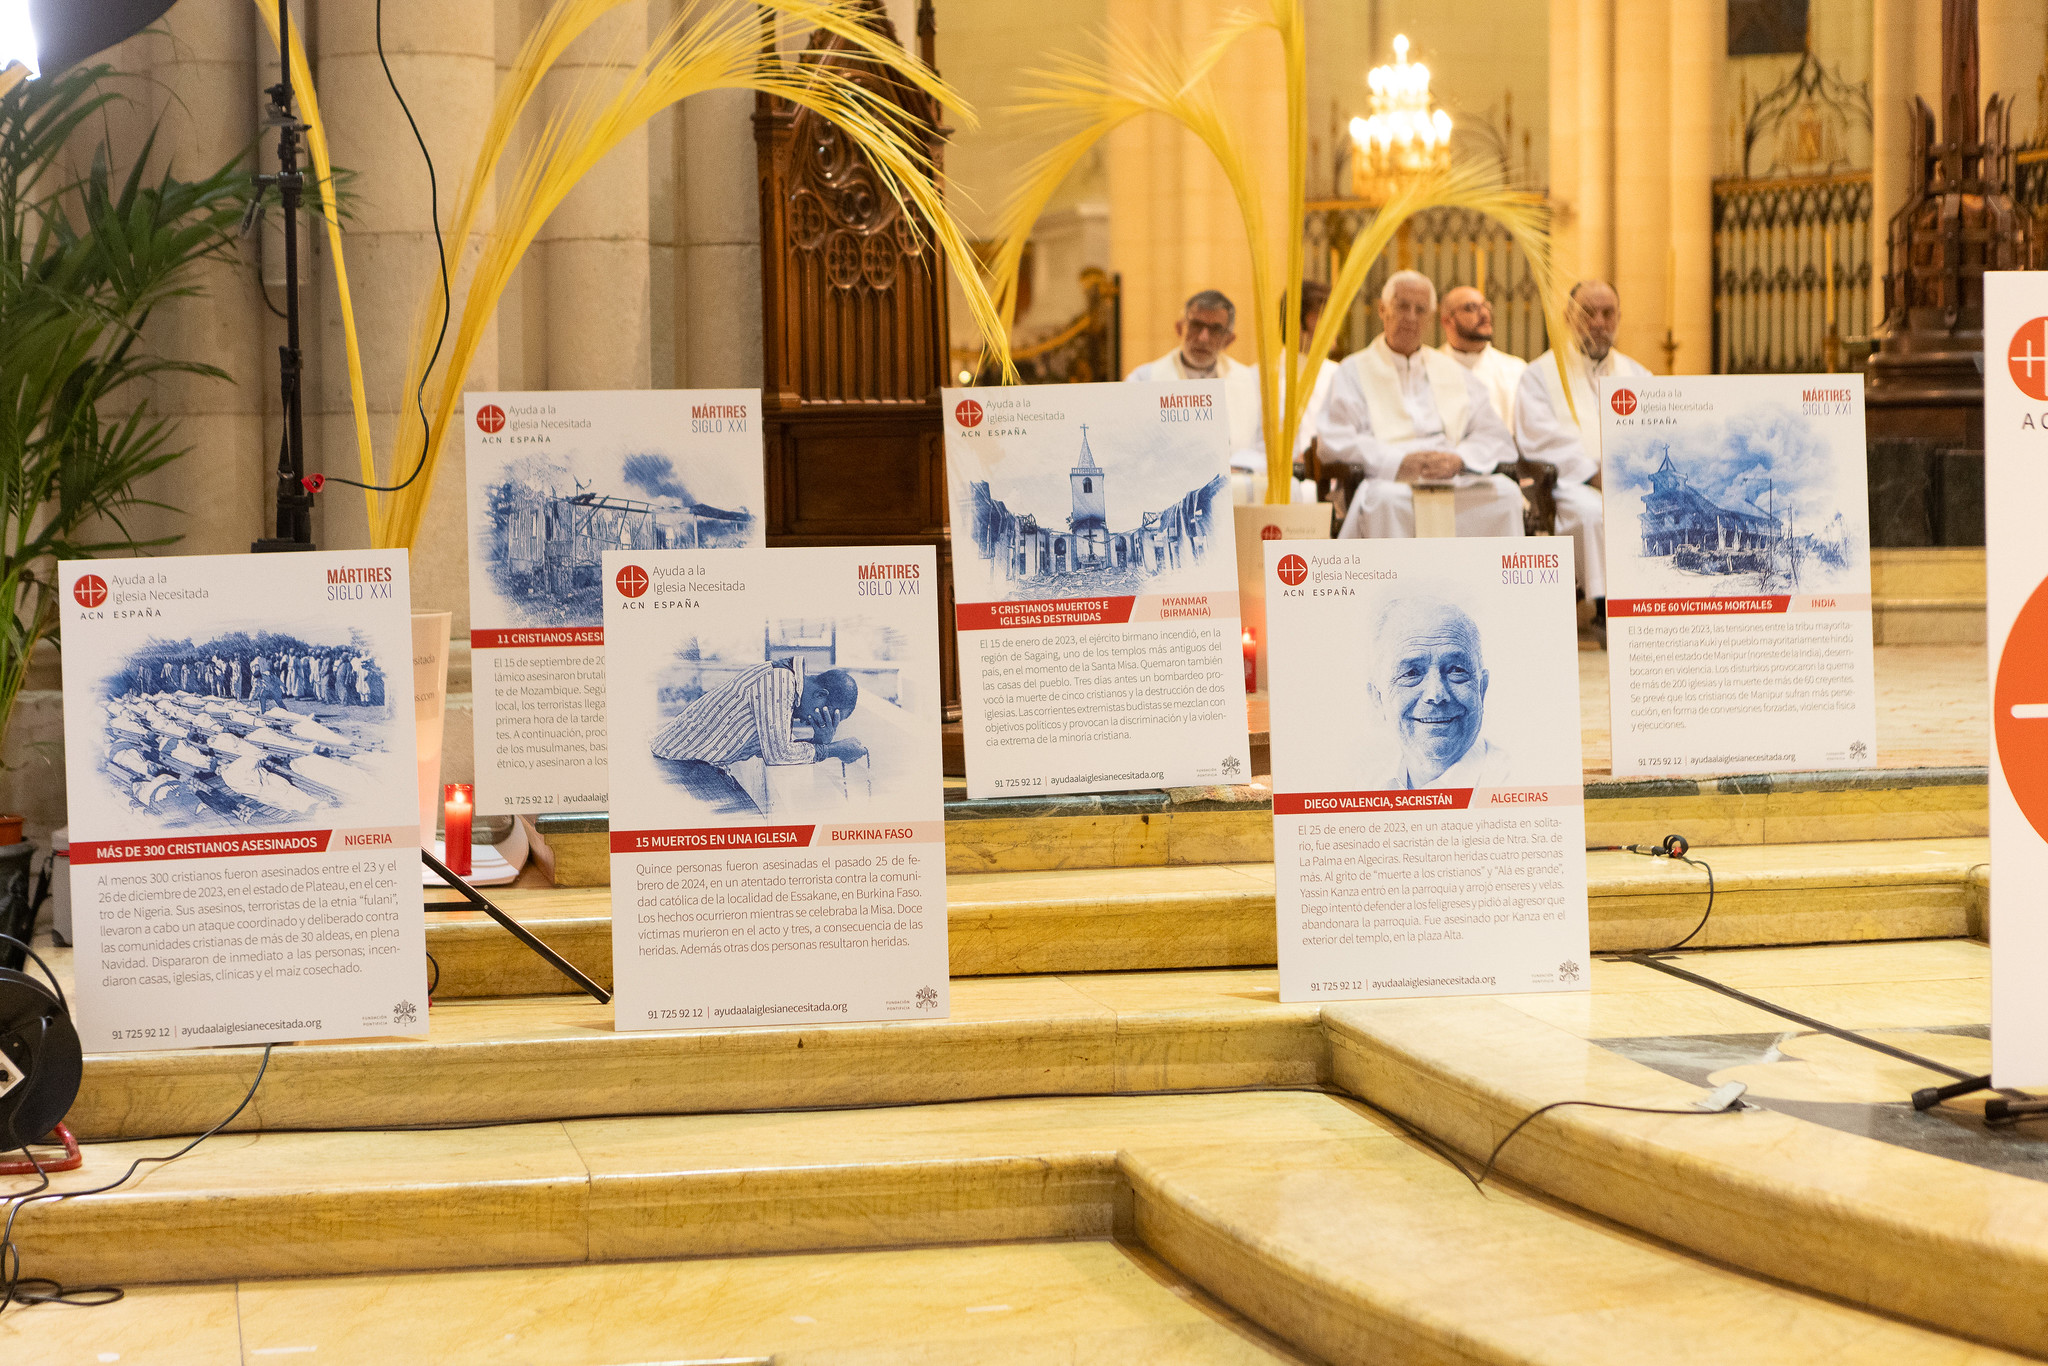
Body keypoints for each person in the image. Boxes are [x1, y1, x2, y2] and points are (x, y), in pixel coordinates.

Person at [1317, 271, 1522, 538]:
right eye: (1402, 306)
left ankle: (1485, 581)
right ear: (1382, 309)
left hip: (1450, 477)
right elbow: (1335, 438)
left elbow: (1493, 434)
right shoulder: (1353, 371)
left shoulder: (1454, 372)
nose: (1411, 317)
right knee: (1385, 502)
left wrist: (1459, 459)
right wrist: (1397, 461)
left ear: (1431, 318)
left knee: (1505, 495)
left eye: (1421, 309)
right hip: (1389, 479)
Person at [1513, 279, 1651, 630]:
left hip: (1628, 481)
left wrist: (1628, 473)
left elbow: (1654, 435)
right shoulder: (1540, 374)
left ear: (1619, 317)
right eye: (1588, 313)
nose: (1599, 323)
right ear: (1568, 318)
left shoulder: (1638, 375)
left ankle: (1652, 602)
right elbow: (1538, 437)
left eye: (1608, 314)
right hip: (1570, 482)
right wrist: (1593, 473)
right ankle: (1607, 610)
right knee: (1592, 511)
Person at [650, 658, 867, 814]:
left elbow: (780, 746)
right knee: (748, 823)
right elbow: (779, 754)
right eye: (826, 716)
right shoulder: (780, 682)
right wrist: (834, 750)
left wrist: (820, 741)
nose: (817, 722)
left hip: (696, 764)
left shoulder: (786, 681)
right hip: (680, 765)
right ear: (820, 695)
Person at [1366, 595, 1511, 789]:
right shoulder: (1363, 787)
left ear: (1481, 688)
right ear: (1378, 698)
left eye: (1456, 670)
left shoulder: (1520, 782)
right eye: (1411, 673)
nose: (1435, 694)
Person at [1126, 289, 1263, 455]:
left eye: (1215, 329)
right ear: (1179, 328)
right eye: (1196, 326)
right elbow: (1131, 445)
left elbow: (1263, 446)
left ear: (1229, 340)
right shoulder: (1143, 381)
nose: (1203, 337)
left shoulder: (1251, 382)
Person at [1438, 285, 1526, 427]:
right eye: (1471, 308)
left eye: (1486, 306)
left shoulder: (1516, 370)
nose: (1485, 314)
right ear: (1447, 321)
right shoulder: (1430, 368)